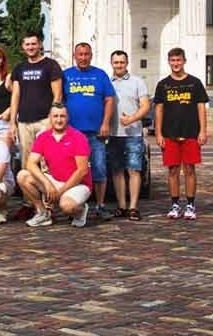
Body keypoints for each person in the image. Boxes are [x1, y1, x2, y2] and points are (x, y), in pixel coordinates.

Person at [9, 33, 63, 221]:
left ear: (40, 45)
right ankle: (29, 204)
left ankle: (49, 203)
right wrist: (12, 122)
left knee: (45, 164)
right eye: (27, 44)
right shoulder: (19, 68)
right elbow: (15, 95)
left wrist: (52, 119)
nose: (30, 47)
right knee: (26, 164)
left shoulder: (50, 65)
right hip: (24, 121)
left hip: (44, 121)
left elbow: (57, 94)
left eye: (34, 44)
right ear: (23, 47)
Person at [154, 47, 209, 221]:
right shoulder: (163, 85)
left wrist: (202, 130)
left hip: (191, 133)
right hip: (170, 134)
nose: (176, 64)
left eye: (179, 60)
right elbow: (159, 110)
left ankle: (191, 205)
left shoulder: (195, 83)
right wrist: (158, 133)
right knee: (172, 170)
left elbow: (201, 108)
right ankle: (175, 204)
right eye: (173, 60)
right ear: (168, 62)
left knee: (190, 169)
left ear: (184, 61)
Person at [16, 103, 91, 228]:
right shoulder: (43, 137)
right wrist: (47, 184)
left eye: (62, 116)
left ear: (68, 118)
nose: (59, 120)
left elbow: (82, 171)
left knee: (66, 207)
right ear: (50, 118)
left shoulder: (79, 137)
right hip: (55, 180)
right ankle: (43, 213)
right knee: (23, 175)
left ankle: (81, 210)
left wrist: (60, 192)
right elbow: (31, 163)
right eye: (55, 116)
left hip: (78, 184)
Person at [62, 42, 115, 220]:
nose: (83, 58)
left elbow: (109, 100)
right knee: (72, 171)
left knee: (99, 168)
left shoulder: (100, 75)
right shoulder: (66, 76)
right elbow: (58, 102)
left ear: (91, 55)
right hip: (72, 134)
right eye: (80, 54)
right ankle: (73, 204)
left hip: (96, 133)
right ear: (74, 56)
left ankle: (100, 205)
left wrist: (105, 123)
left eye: (86, 54)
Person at [107, 50, 150, 221]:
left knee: (134, 170)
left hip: (133, 133)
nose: (119, 65)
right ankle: (121, 206)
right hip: (113, 134)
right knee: (117, 171)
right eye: (116, 62)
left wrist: (132, 118)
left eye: (122, 62)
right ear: (112, 64)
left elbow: (146, 106)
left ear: (127, 63)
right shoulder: (107, 82)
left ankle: (133, 207)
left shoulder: (137, 82)